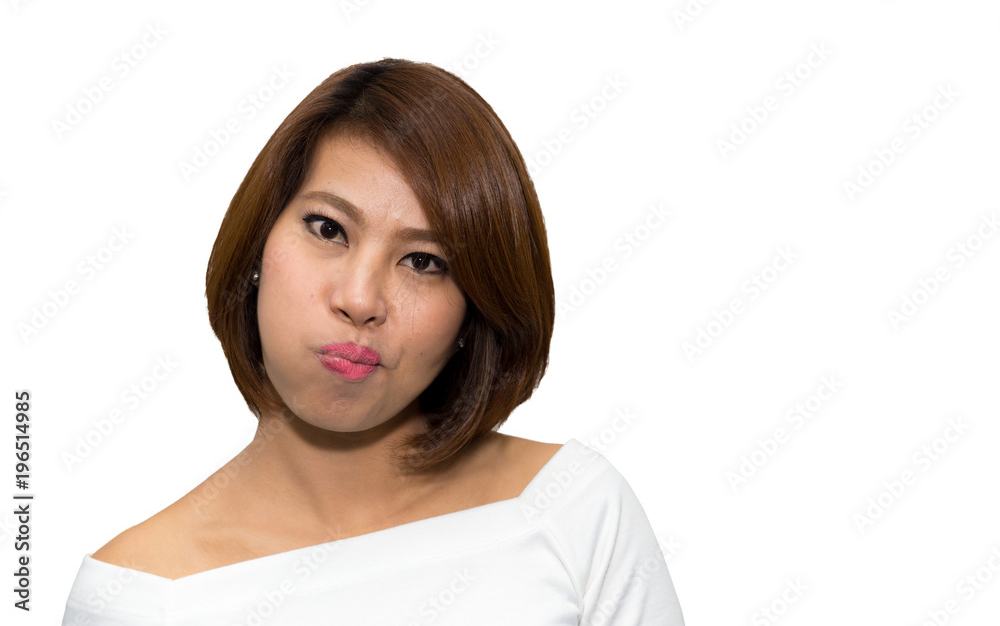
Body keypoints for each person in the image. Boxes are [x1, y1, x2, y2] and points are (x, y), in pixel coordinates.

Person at [60, 58, 685, 624]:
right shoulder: (139, 593)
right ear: (257, 245)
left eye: (423, 262)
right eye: (328, 228)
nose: (360, 299)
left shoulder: (572, 509)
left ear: (473, 311)